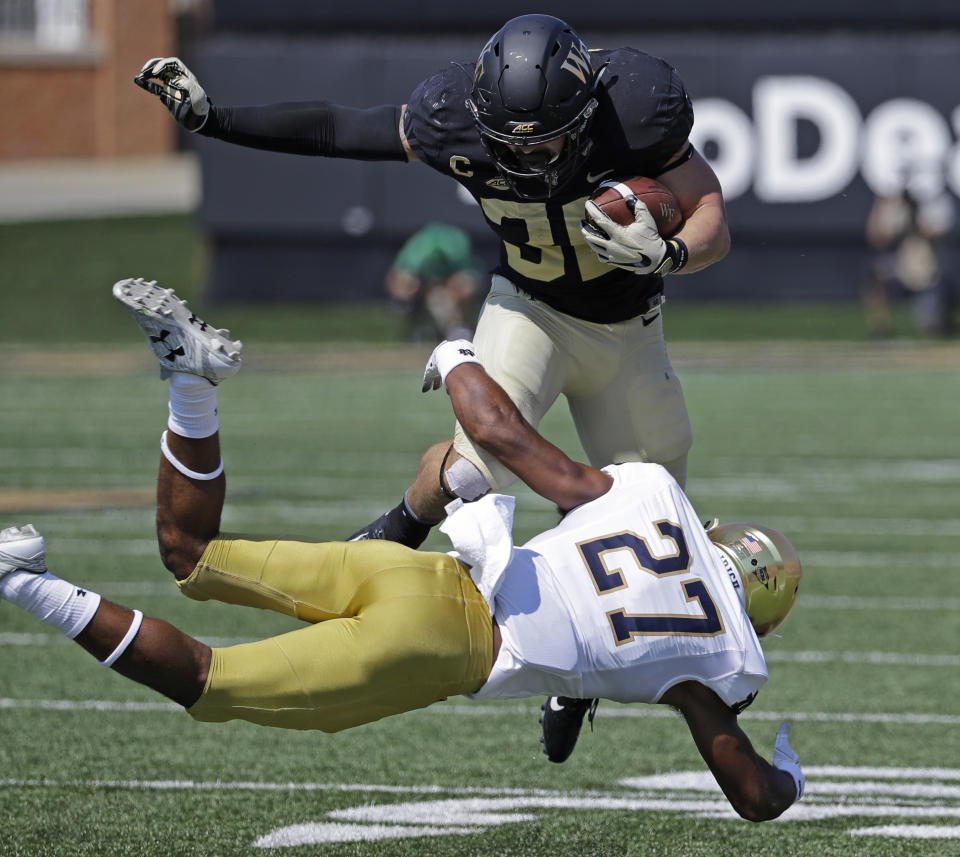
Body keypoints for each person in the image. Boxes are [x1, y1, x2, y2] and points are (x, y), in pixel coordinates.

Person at [0, 277, 803, 822]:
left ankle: (191, 383)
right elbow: (752, 796)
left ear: (717, 536)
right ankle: (21, 580)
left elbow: (500, 433)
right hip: (439, 647)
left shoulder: (650, 496)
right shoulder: (719, 663)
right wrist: (788, 776)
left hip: (424, 570)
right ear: (760, 619)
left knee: (191, 552)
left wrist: (457, 355)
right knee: (212, 682)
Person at [134, 13, 730, 550]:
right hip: (531, 310)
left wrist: (671, 254)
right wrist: (216, 121)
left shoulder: (637, 113)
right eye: (509, 142)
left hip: (629, 329)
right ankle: (390, 538)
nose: (526, 158)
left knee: (656, 513)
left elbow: (711, 216)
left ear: (586, 113)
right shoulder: (454, 117)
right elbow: (337, 130)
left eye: (544, 139)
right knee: (474, 469)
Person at [862, 167, 956, 339]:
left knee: (932, 330)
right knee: (876, 276)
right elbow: (876, 237)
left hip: (929, 269)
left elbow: (939, 232)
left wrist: (917, 213)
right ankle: (880, 327)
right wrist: (887, 208)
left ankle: (942, 321)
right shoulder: (892, 204)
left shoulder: (937, 202)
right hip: (900, 265)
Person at [385, 222, 482, 343]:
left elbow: (465, 280)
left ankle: (457, 331)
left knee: (441, 297)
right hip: (426, 286)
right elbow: (398, 278)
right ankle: (428, 329)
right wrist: (406, 294)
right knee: (434, 297)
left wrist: (453, 291)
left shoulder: (456, 247)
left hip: (449, 285)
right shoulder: (415, 253)